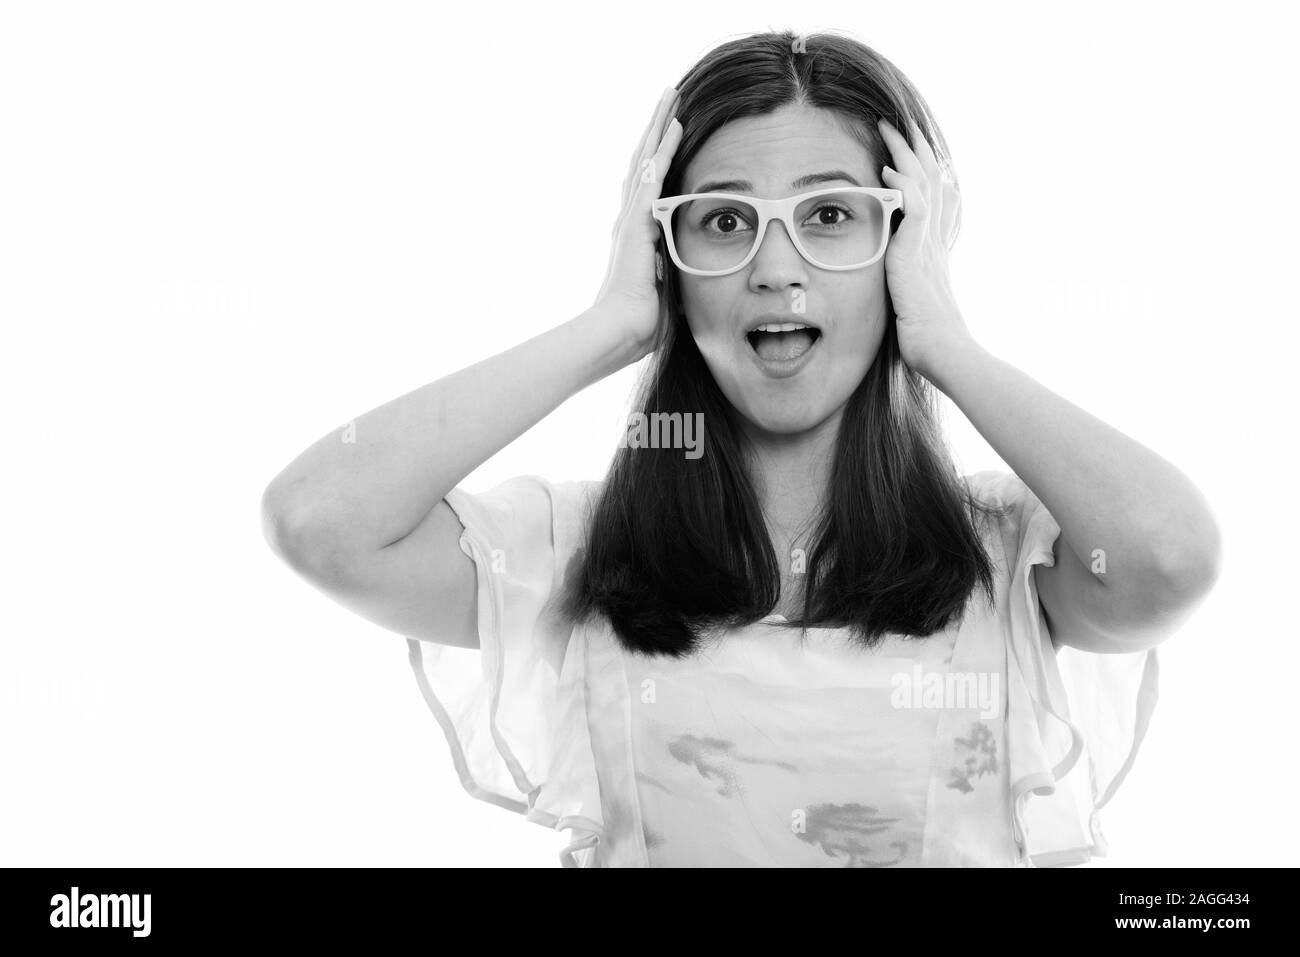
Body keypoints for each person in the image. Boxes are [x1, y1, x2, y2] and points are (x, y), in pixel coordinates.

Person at [261, 29, 1221, 867]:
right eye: (723, 221)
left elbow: (1170, 557)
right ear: (667, 258)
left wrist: (949, 345)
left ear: (903, 250)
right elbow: (321, 521)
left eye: (830, 216)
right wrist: (612, 322)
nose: (774, 268)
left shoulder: (1005, 556)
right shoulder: (578, 554)